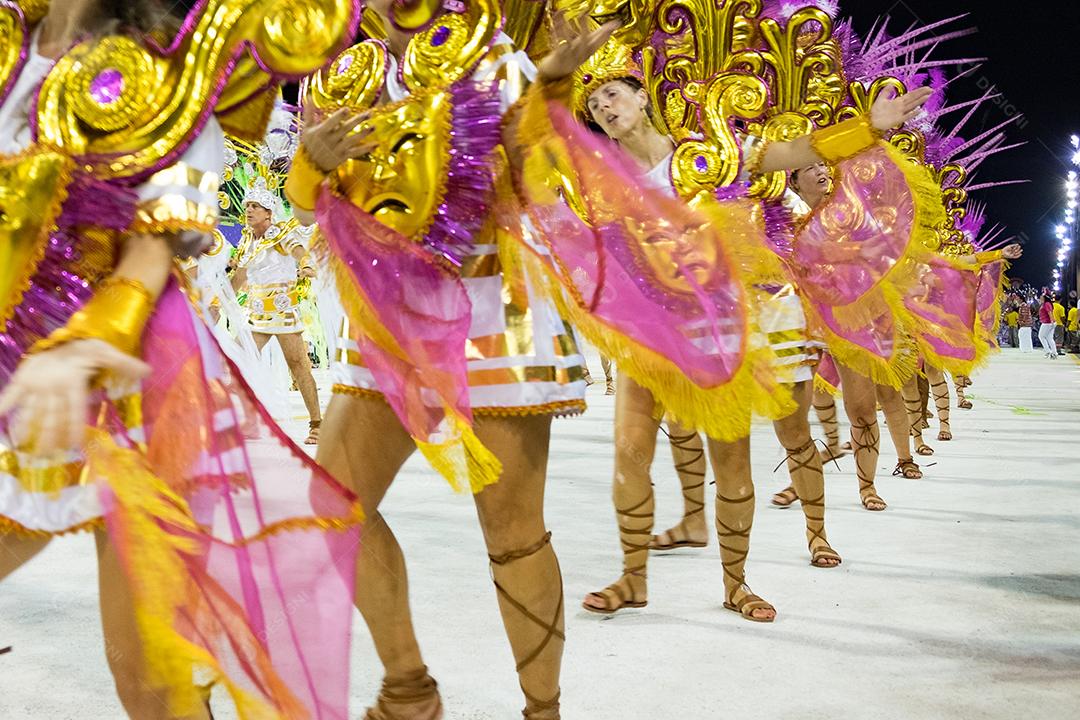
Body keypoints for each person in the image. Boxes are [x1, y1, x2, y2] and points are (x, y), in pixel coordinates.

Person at [0, 1, 364, 718]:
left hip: (136, 375)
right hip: (18, 353)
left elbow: (167, 230)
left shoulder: (166, 69)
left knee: (152, 681)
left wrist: (101, 329)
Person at [285, 5, 614, 717]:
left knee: (513, 531)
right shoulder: (343, 73)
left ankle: (542, 710)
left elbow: (536, 173)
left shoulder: (488, 53)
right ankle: (408, 690)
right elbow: (306, 198)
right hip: (385, 317)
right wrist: (314, 164)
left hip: (495, 307)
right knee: (332, 504)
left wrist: (552, 87)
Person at [230, 186, 323, 444]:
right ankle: (249, 419)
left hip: (283, 311)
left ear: (269, 213)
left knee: (299, 366)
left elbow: (298, 251)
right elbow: (239, 277)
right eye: (247, 205)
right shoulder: (246, 239)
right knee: (236, 362)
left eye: (254, 206)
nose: (248, 210)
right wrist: (217, 302)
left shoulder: (281, 233)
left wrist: (305, 264)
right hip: (256, 314)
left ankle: (317, 423)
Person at [1038, 294, 1057, 358]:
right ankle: (1054, 353)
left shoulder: (1046, 304)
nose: (1040, 299)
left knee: (1041, 336)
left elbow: (1050, 312)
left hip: (1047, 323)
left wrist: (1052, 321)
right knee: (1049, 338)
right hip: (1049, 322)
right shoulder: (1045, 304)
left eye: (1041, 298)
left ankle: (1048, 351)